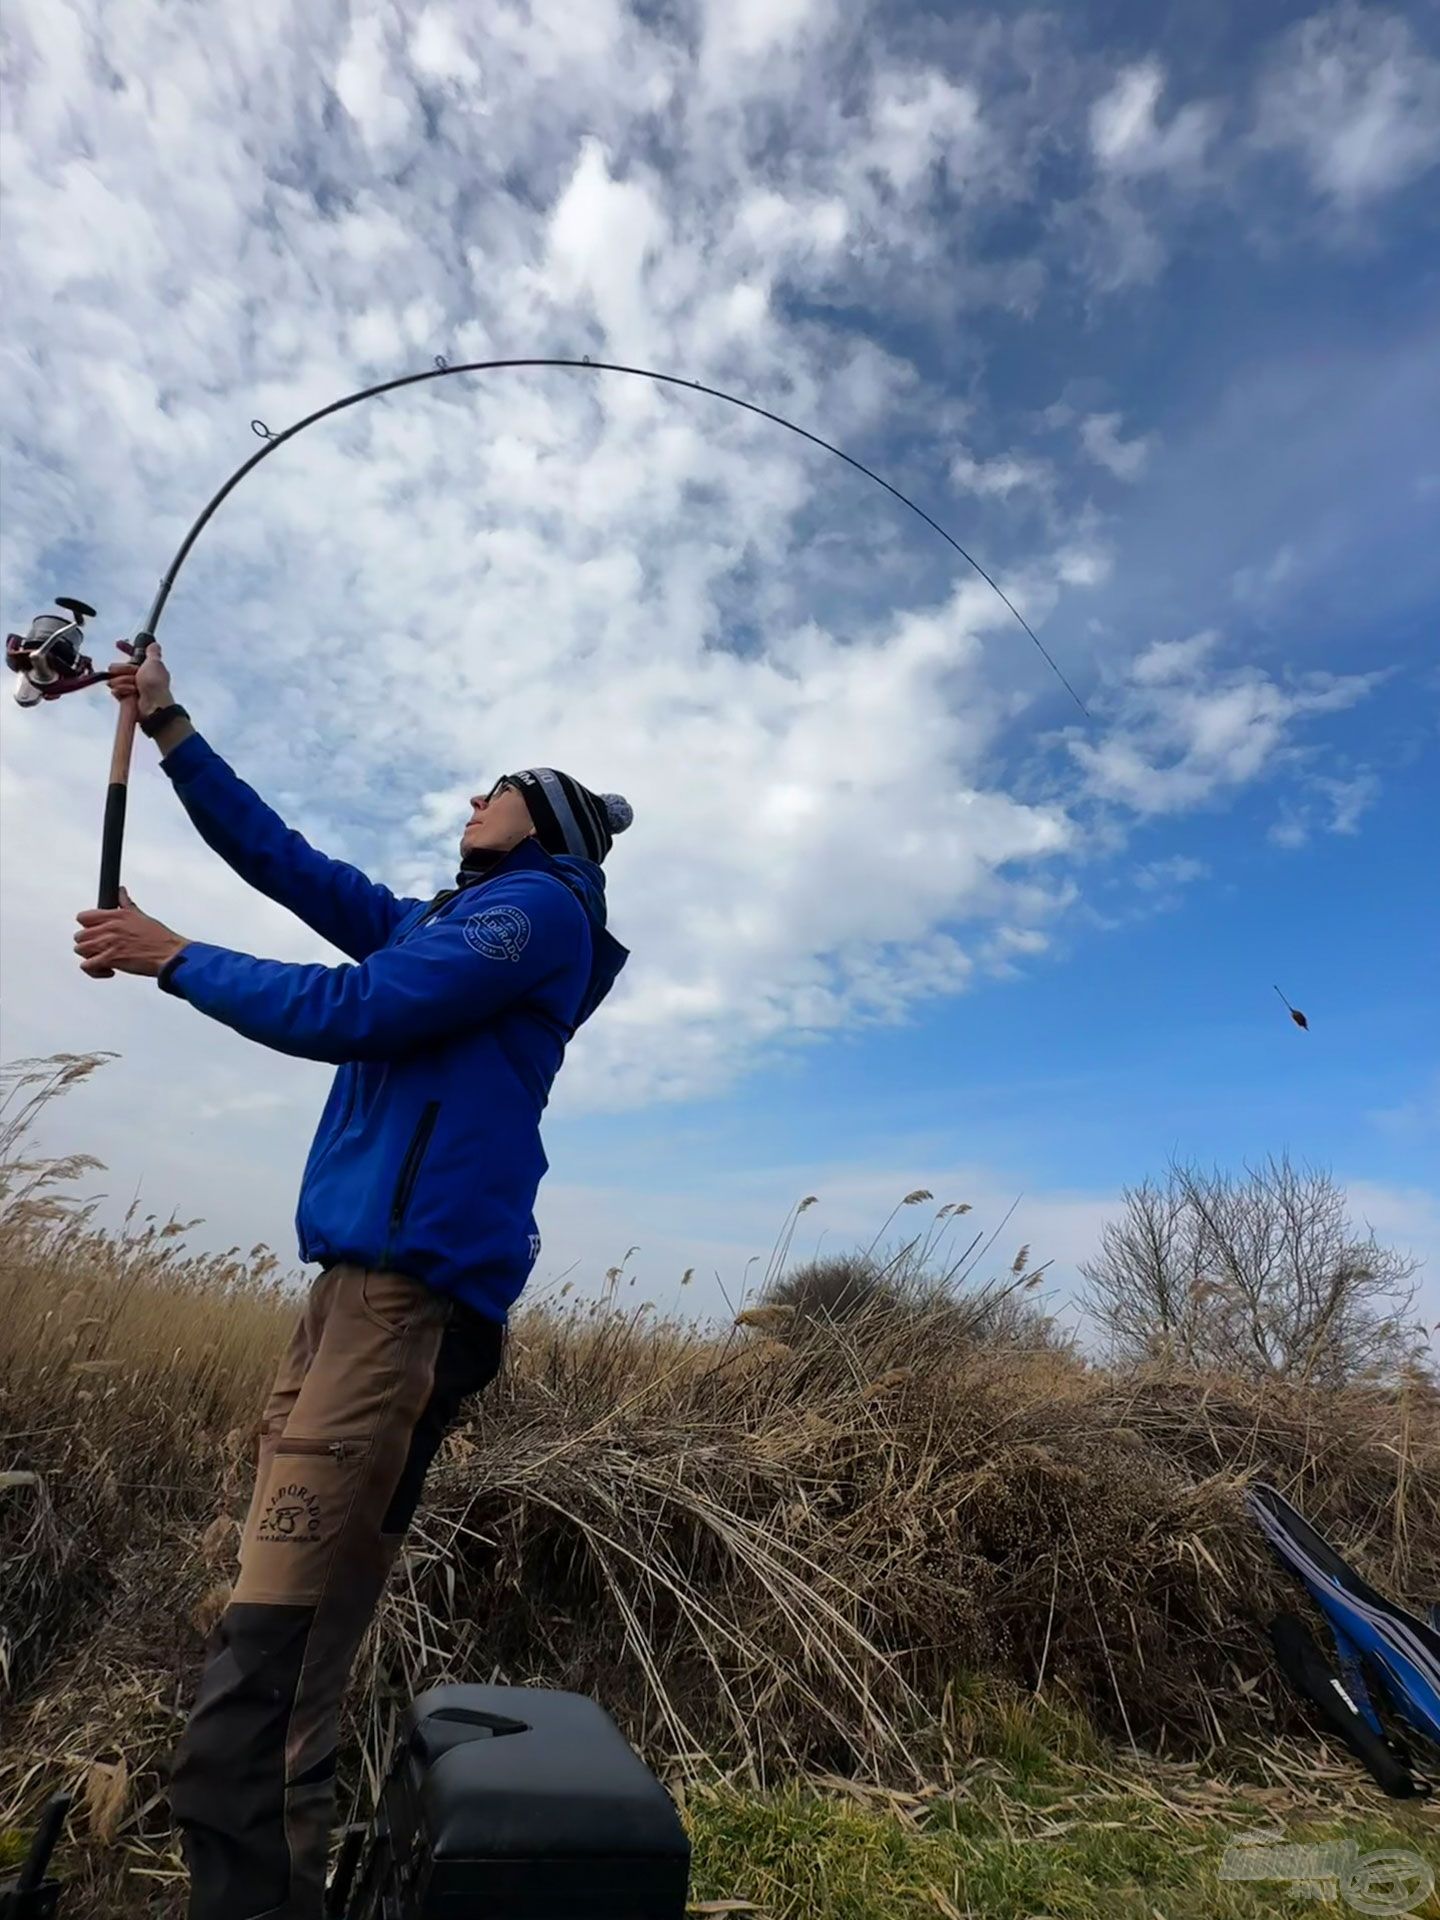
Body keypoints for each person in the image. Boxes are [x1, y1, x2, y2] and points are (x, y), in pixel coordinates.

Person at [75, 644, 632, 1920]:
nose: (468, 802)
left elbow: (363, 1010)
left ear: (537, 819)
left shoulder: (541, 909)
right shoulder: (446, 917)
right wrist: (169, 729)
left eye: (493, 789)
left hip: (403, 1305)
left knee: (271, 1662)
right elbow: (286, 860)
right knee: (286, 1648)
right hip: (351, 1293)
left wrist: (173, 956)